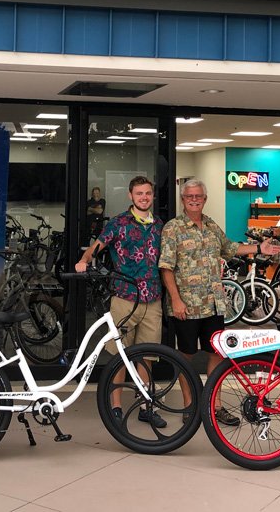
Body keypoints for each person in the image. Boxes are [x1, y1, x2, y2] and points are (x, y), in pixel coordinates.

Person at [159, 178, 277, 426]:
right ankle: (190, 406)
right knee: (187, 355)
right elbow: (166, 268)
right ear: (183, 200)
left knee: (217, 353)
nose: (194, 200)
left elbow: (230, 247)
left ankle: (215, 405)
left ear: (204, 199)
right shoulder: (173, 228)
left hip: (213, 303)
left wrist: (259, 248)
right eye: (189, 196)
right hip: (187, 307)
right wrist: (176, 300)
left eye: (198, 196)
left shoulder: (211, 225)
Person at [76, 176, 166, 427]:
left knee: (147, 357)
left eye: (148, 193)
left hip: (152, 298)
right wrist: (84, 261)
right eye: (139, 193)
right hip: (125, 297)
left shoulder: (159, 225)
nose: (144, 197)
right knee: (120, 355)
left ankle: (145, 405)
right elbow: (96, 246)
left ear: (152, 196)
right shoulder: (119, 223)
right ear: (130, 196)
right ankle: (116, 407)